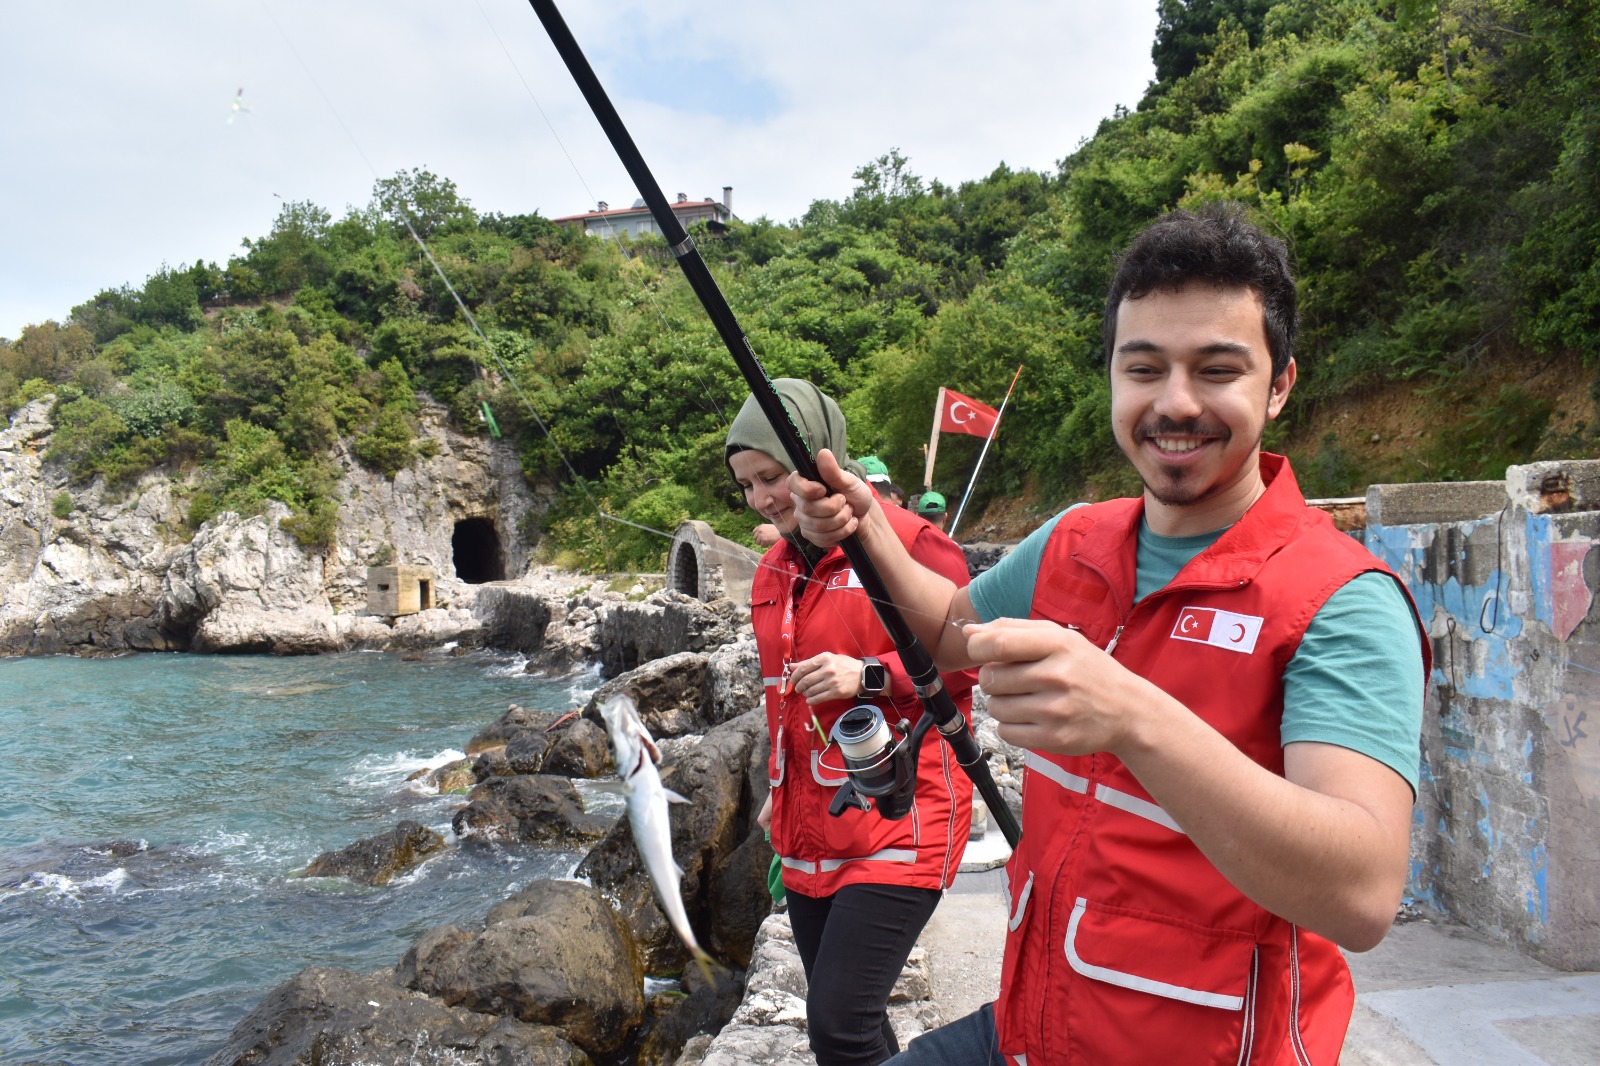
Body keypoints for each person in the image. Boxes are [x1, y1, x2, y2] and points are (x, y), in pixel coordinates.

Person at [788, 205, 1429, 1065]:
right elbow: (944, 632)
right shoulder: (1073, 540)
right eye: (1144, 368)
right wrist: (867, 525)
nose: (1175, 402)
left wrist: (1132, 716)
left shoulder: (1342, 599)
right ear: (1114, 380)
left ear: (1279, 386)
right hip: (1036, 1025)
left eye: (1217, 370)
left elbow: (1361, 893)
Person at [726, 378, 977, 1066]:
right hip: (811, 827)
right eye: (746, 485)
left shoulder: (910, 543)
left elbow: (966, 666)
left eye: (773, 476)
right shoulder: (773, 569)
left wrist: (867, 675)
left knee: (839, 1023)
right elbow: (783, 703)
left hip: (903, 815)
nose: (761, 499)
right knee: (851, 1024)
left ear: (820, 459)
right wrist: (778, 798)